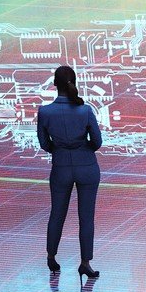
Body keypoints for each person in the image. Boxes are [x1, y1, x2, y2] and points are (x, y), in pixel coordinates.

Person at [36, 63, 102, 280]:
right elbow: (97, 142)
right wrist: (84, 148)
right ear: (74, 83)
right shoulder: (85, 110)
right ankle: (85, 263)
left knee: (57, 214)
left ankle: (51, 257)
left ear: (55, 84)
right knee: (87, 218)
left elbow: (44, 144)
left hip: (61, 167)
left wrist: (60, 150)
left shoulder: (45, 112)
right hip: (87, 167)